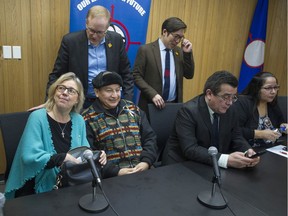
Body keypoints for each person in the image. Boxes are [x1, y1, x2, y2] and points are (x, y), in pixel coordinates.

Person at [5, 72, 106, 199]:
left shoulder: (79, 120)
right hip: (40, 186)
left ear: (77, 99)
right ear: (54, 93)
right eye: (61, 88)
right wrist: (61, 158)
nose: (64, 93)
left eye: (71, 90)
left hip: (69, 183)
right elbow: (28, 156)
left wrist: (97, 155)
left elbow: (83, 153)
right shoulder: (37, 117)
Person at [30, 5, 133, 111]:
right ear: (86, 23)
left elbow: (126, 74)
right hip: (79, 103)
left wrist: (128, 102)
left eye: (99, 32)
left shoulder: (116, 40)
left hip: (107, 102)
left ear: (107, 29)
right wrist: (49, 101)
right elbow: (57, 75)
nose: (94, 36)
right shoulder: (71, 42)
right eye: (91, 30)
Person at [162, 71, 260, 169]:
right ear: (209, 94)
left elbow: (236, 136)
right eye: (226, 97)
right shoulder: (188, 111)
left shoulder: (231, 109)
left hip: (210, 163)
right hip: (182, 164)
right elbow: (190, 149)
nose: (230, 102)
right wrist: (225, 159)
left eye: (233, 97)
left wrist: (247, 151)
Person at [82, 71, 157, 177]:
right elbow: (89, 154)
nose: (114, 95)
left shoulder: (133, 109)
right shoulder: (87, 118)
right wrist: (116, 172)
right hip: (113, 178)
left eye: (118, 90)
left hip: (144, 170)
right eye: (109, 91)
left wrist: (146, 161)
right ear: (97, 92)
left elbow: (150, 137)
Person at [133, 17, 194, 115]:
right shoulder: (146, 50)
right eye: (176, 36)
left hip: (173, 106)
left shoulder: (179, 52)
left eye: (181, 37)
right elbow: (136, 76)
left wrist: (187, 54)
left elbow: (189, 75)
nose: (178, 41)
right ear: (165, 32)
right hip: (151, 105)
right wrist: (152, 94)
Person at [233, 71, 287, 147]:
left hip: (271, 148)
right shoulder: (243, 102)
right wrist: (259, 134)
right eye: (268, 88)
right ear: (257, 88)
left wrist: (284, 127)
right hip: (248, 149)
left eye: (275, 87)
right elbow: (234, 130)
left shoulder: (272, 103)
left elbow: (280, 125)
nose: (273, 92)